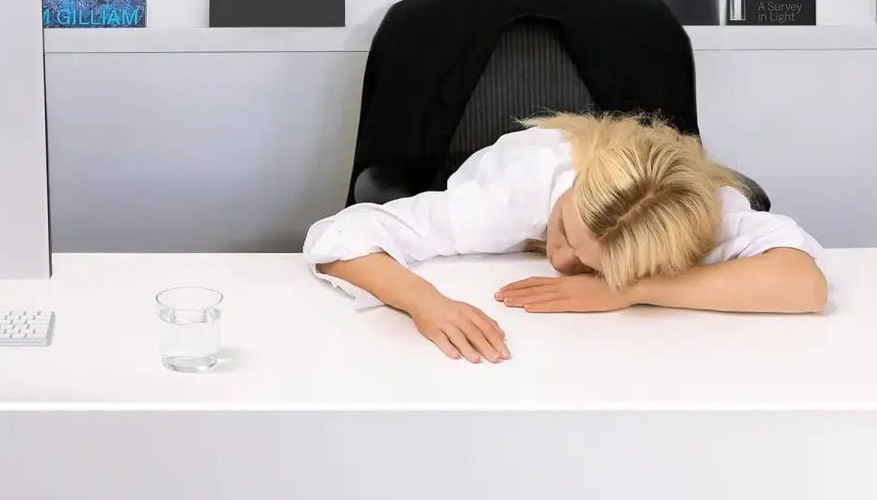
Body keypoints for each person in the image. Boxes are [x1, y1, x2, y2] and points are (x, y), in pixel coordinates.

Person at [303, 112, 828, 363]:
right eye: (563, 230)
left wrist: (631, 289)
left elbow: (804, 286)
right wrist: (425, 302)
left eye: (588, 263)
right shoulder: (513, 193)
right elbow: (336, 237)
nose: (558, 259)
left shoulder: (703, 213)